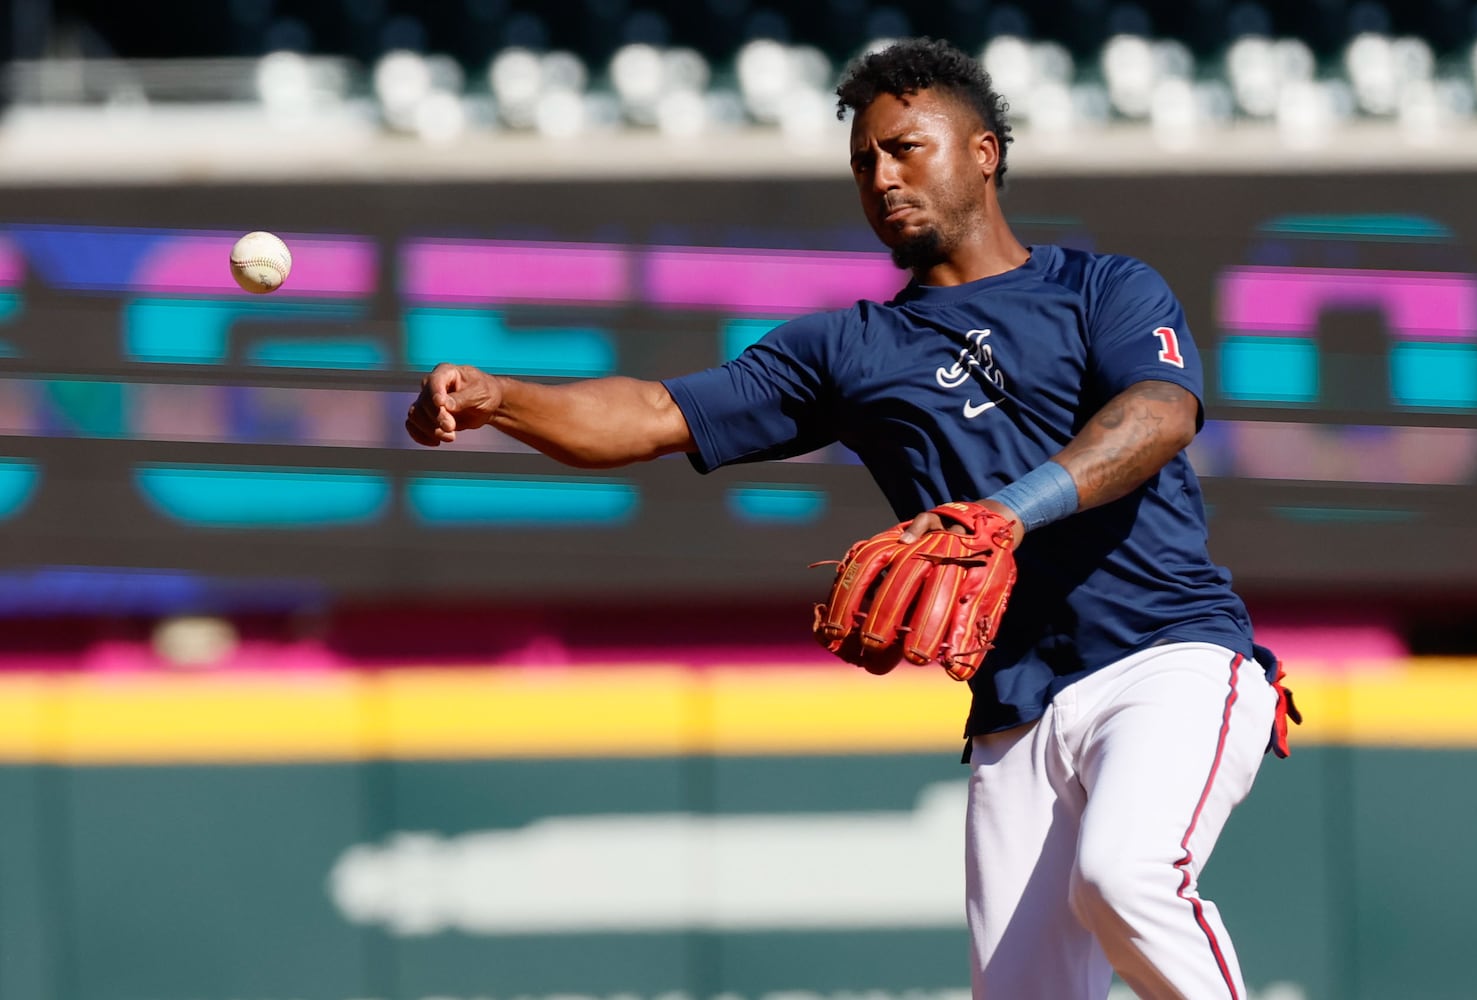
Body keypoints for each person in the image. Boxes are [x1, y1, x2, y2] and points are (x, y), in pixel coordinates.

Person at [406, 37, 1295, 1000]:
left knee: (1124, 878)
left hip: (1169, 659)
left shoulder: (1103, 289)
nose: (881, 175)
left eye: (907, 147)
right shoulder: (851, 349)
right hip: (1016, 710)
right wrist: (503, 398)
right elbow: (653, 415)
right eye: (864, 160)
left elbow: (1159, 415)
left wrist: (1007, 511)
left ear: (985, 153)